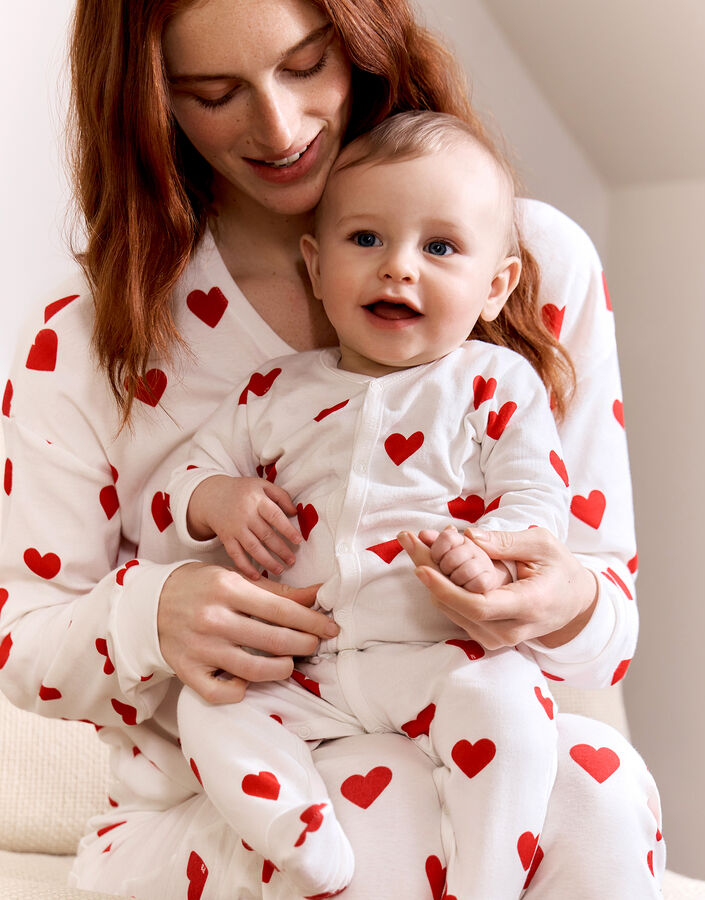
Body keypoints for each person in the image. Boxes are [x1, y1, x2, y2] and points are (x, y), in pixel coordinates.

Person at [0, 1, 664, 898]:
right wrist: (150, 611)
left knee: (602, 787)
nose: (278, 127)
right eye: (214, 92)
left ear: (364, 45)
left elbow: (603, 629)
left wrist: (559, 596)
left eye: (307, 64)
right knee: (379, 800)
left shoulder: (530, 259)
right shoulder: (86, 337)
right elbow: (24, 644)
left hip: (444, 708)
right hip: (223, 794)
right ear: (150, 103)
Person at [168, 110, 570, 899]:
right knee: (206, 705)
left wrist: (484, 553)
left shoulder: (491, 383)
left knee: (514, 712)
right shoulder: (277, 389)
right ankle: (298, 834)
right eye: (365, 240)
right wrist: (218, 497)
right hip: (302, 667)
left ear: (495, 285)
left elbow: (535, 498)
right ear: (314, 267)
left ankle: (485, 884)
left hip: (440, 653)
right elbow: (186, 472)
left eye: (440, 247)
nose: (399, 269)